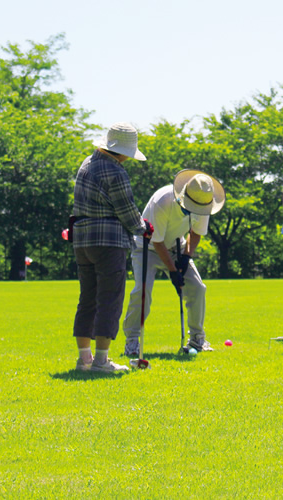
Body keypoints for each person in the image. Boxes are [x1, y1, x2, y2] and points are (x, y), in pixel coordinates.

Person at [72, 122, 153, 372]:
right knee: (110, 298)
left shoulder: (87, 163)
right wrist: (143, 227)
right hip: (108, 242)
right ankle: (101, 360)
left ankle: (84, 358)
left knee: (87, 298)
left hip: (82, 241)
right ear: (122, 152)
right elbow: (127, 212)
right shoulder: (115, 171)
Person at [123, 169, 225, 355]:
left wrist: (186, 257)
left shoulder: (203, 202)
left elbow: (196, 233)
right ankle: (132, 341)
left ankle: (197, 338)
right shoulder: (162, 201)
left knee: (197, 288)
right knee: (142, 291)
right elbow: (157, 241)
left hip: (177, 246)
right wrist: (173, 271)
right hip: (147, 246)